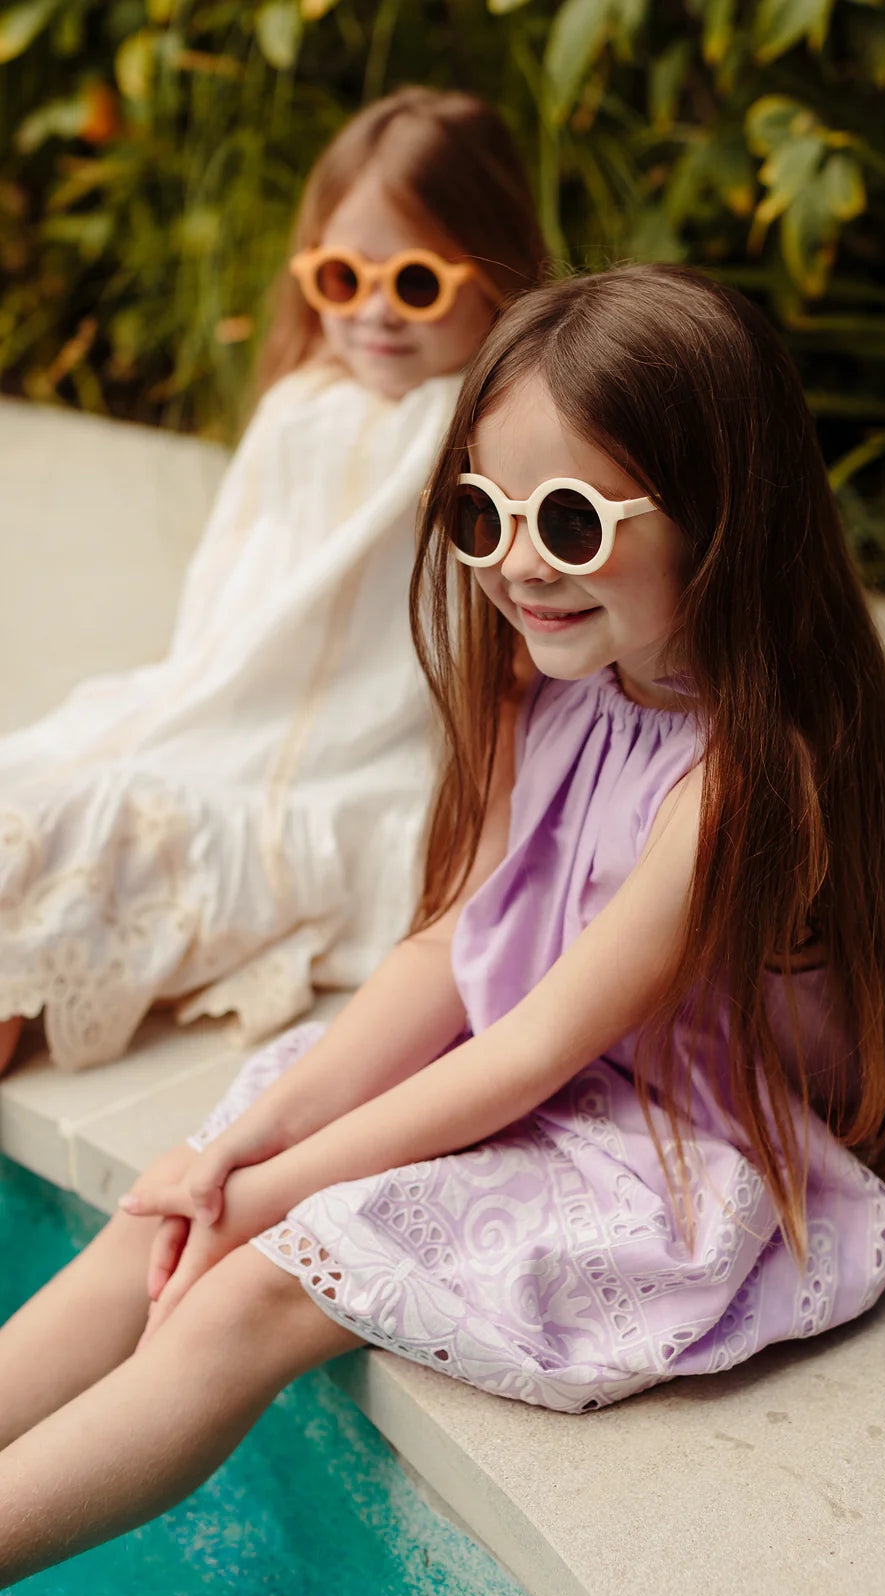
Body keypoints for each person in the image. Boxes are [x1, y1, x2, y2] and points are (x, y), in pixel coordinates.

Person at [0, 266, 885, 1585]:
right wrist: (238, 1148)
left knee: (252, 1290)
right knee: (173, 1203)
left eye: (569, 521)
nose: (514, 565)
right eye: (480, 511)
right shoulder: (540, 686)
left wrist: (273, 1193)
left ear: (724, 517)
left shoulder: (746, 779)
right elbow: (449, 950)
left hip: (676, 1135)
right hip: (555, 1070)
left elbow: (531, 1054)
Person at [0, 86, 546, 1076]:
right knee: (35, 796)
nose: (373, 311)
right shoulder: (304, 405)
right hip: (219, 715)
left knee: (84, 833)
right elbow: (232, 614)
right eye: (341, 276)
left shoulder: (486, 431)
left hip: (366, 762)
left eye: (416, 283)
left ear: (494, 275)